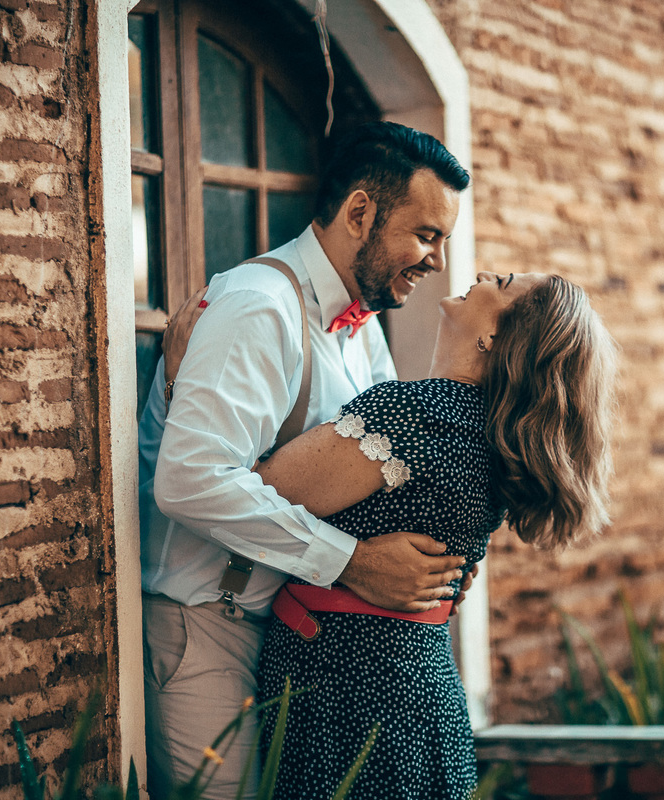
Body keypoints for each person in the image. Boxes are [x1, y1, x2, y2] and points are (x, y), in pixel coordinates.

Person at [163, 269, 616, 798]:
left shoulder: (413, 413)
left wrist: (182, 383)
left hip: (348, 689)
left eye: (506, 281)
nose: (486, 272)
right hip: (422, 689)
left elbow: (255, 490)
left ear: (495, 337)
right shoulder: (491, 435)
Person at [137, 122, 475, 800]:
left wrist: (434, 565)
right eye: (427, 235)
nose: (436, 261)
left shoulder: (362, 329)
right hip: (205, 630)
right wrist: (352, 563)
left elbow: (369, 479)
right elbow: (189, 482)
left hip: (285, 634)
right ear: (359, 212)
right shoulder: (257, 309)